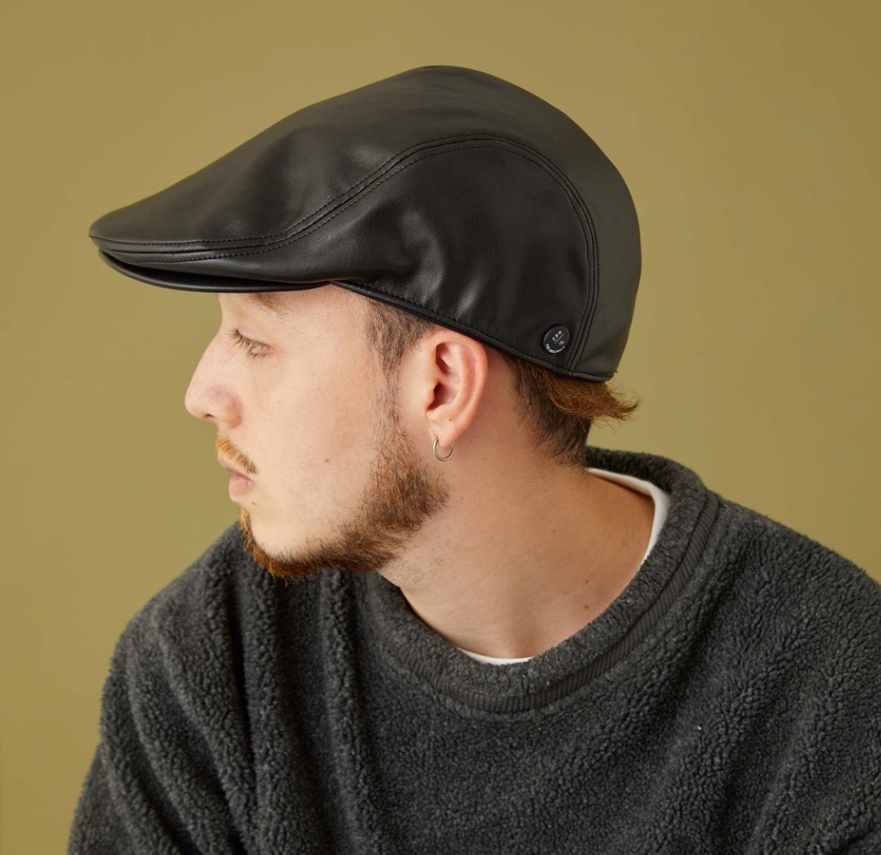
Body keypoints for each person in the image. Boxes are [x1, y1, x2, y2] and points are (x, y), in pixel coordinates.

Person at [68, 65, 880, 854]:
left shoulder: (830, 686)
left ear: (443, 385)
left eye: (254, 340)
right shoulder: (217, 662)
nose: (202, 393)